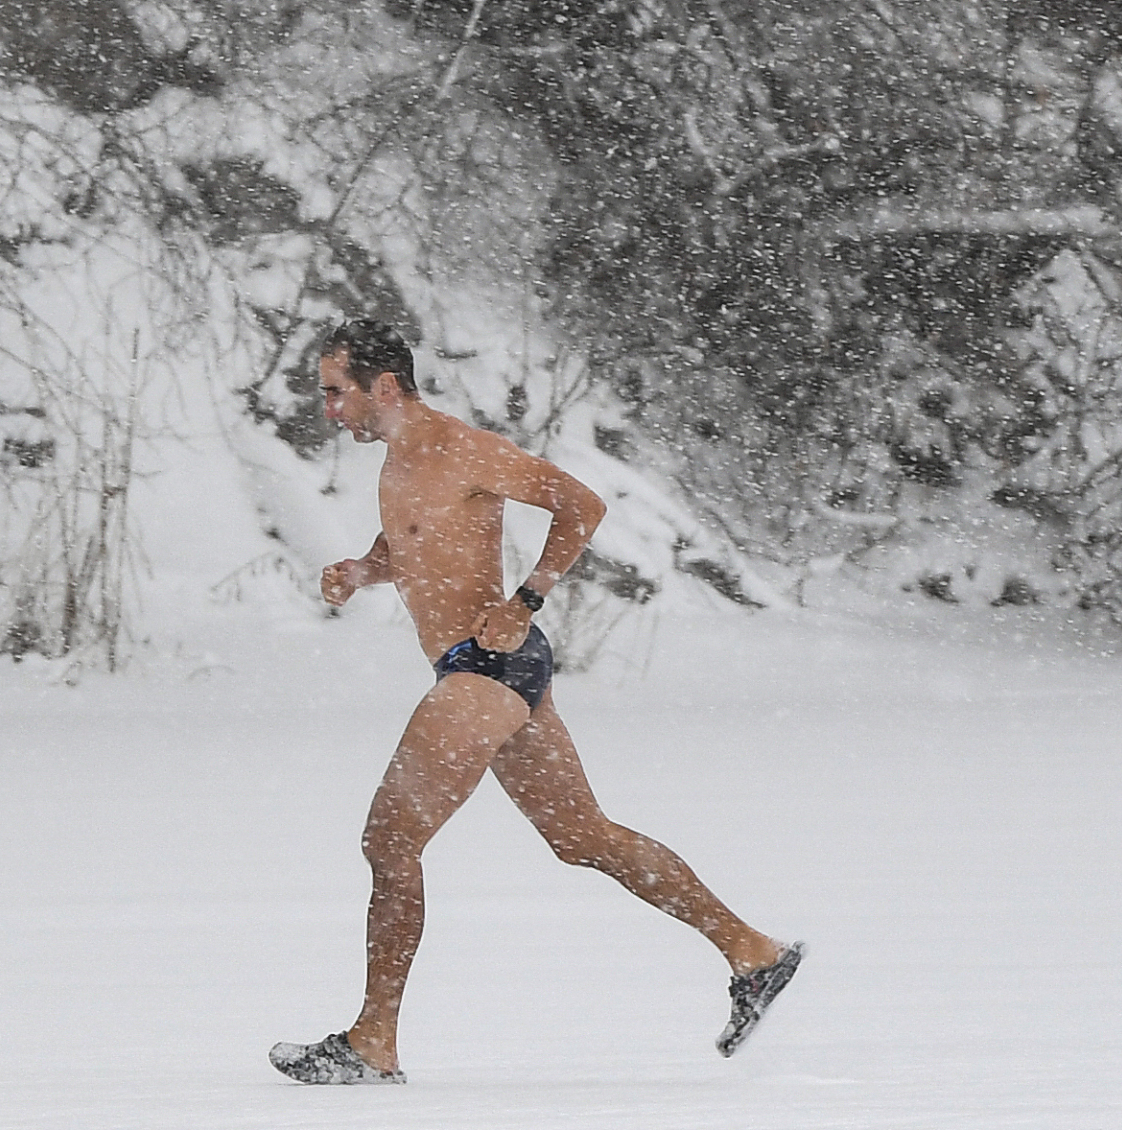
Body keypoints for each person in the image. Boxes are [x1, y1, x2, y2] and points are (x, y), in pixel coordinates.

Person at [269, 319, 802, 1085]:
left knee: (389, 841)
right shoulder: (397, 462)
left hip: (490, 663)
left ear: (383, 385)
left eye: (335, 392)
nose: (329, 410)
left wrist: (528, 597)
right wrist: (361, 570)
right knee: (584, 837)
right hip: (483, 669)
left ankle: (371, 1043)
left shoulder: (462, 447)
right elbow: (413, 544)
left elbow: (580, 504)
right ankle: (755, 952)